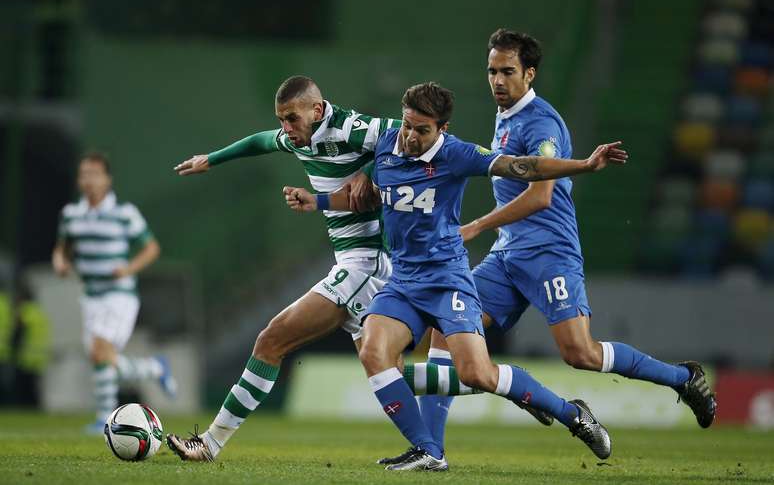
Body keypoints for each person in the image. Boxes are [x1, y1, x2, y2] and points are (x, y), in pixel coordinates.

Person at [397, 29, 717, 457]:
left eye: (507, 71)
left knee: (579, 353)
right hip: (507, 256)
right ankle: (430, 451)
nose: (497, 80)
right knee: (444, 329)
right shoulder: (505, 114)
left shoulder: (542, 122)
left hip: (549, 253)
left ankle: (683, 379)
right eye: (492, 70)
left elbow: (541, 193)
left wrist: (476, 226)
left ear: (529, 74)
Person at [284, 81, 628, 470]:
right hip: (403, 280)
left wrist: (583, 165)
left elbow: (523, 166)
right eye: (407, 125)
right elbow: (375, 196)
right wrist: (320, 201)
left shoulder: (458, 154)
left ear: (442, 129)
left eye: (422, 130)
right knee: (374, 352)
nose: (410, 136)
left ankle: (572, 414)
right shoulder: (387, 145)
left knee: (476, 373)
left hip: (448, 279)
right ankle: (428, 450)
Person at [166, 75, 400, 462]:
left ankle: (209, 444)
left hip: (366, 262)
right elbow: (260, 140)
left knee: (271, 340)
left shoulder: (350, 128)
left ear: (318, 110)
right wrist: (211, 159)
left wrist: (371, 171)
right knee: (390, 375)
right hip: (354, 262)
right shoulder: (299, 137)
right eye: (282, 120)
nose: (286, 130)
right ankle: (502, 382)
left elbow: (408, 136)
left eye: (292, 119)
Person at [52, 152, 175, 434]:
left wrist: (128, 269)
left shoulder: (124, 213)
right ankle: (155, 369)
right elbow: (63, 249)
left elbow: (151, 248)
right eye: (84, 174)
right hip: (91, 296)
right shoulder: (71, 215)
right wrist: (59, 261)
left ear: (107, 179)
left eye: (95, 174)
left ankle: (104, 420)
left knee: (100, 352)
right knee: (102, 360)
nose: (89, 180)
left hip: (119, 296)